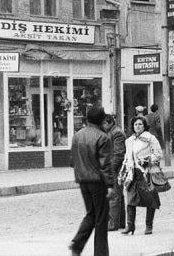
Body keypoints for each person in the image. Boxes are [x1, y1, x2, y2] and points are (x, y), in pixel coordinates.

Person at [69, 106, 113, 256]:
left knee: (91, 213)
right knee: (101, 218)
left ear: (87, 118)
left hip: (82, 180)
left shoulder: (77, 136)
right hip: (98, 181)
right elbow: (105, 164)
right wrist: (110, 185)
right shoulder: (103, 137)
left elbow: (72, 161)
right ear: (101, 120)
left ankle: (77, 243)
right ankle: (100, 253)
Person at [119, 115, 162, 236]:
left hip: (146, 173)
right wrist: (123, 172)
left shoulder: (150, 138)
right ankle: (130, 226)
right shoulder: (129, 140)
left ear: (144, 126)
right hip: (133, 173)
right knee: (130, 199)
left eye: (140, 124)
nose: (137, 126)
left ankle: (149, 225)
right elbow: (127, 157)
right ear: (132, 127)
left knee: (150, 199)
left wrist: (148, 159)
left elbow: (158, 154)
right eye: (135, 124)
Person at [102, 113, 126, 231]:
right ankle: (120, 222)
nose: (102, 126)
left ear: (110, 122)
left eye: (104, 123)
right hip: (114, 167)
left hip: (115, 169)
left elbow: (119, 154)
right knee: (118, 194)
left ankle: (113, 224)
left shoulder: (117, 133)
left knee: (114, 195)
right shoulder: (111, 131)